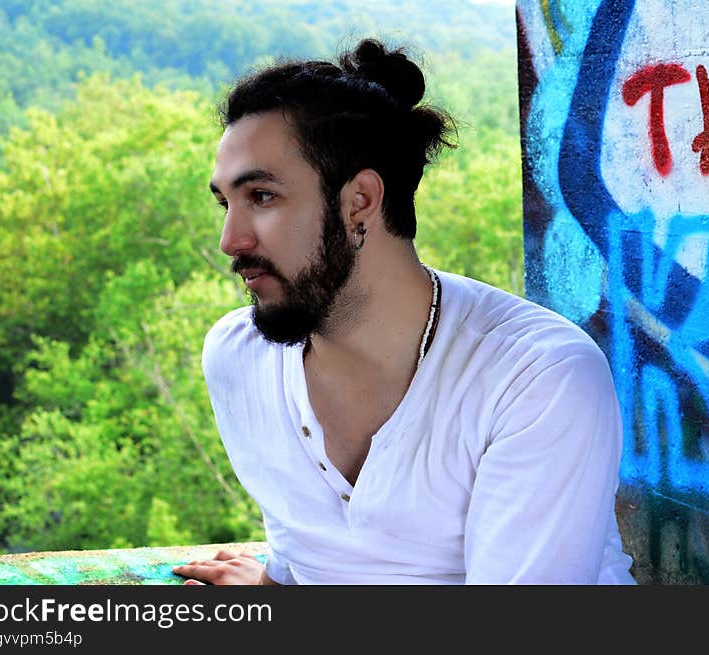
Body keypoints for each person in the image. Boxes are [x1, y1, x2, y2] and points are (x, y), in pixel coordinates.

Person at [172, 38, 635, 585]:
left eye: (262, 197)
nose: (230, 239)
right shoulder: (237, 357)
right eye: (226, 203)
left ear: (359, 201)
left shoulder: (534, 377)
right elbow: (314, 564)